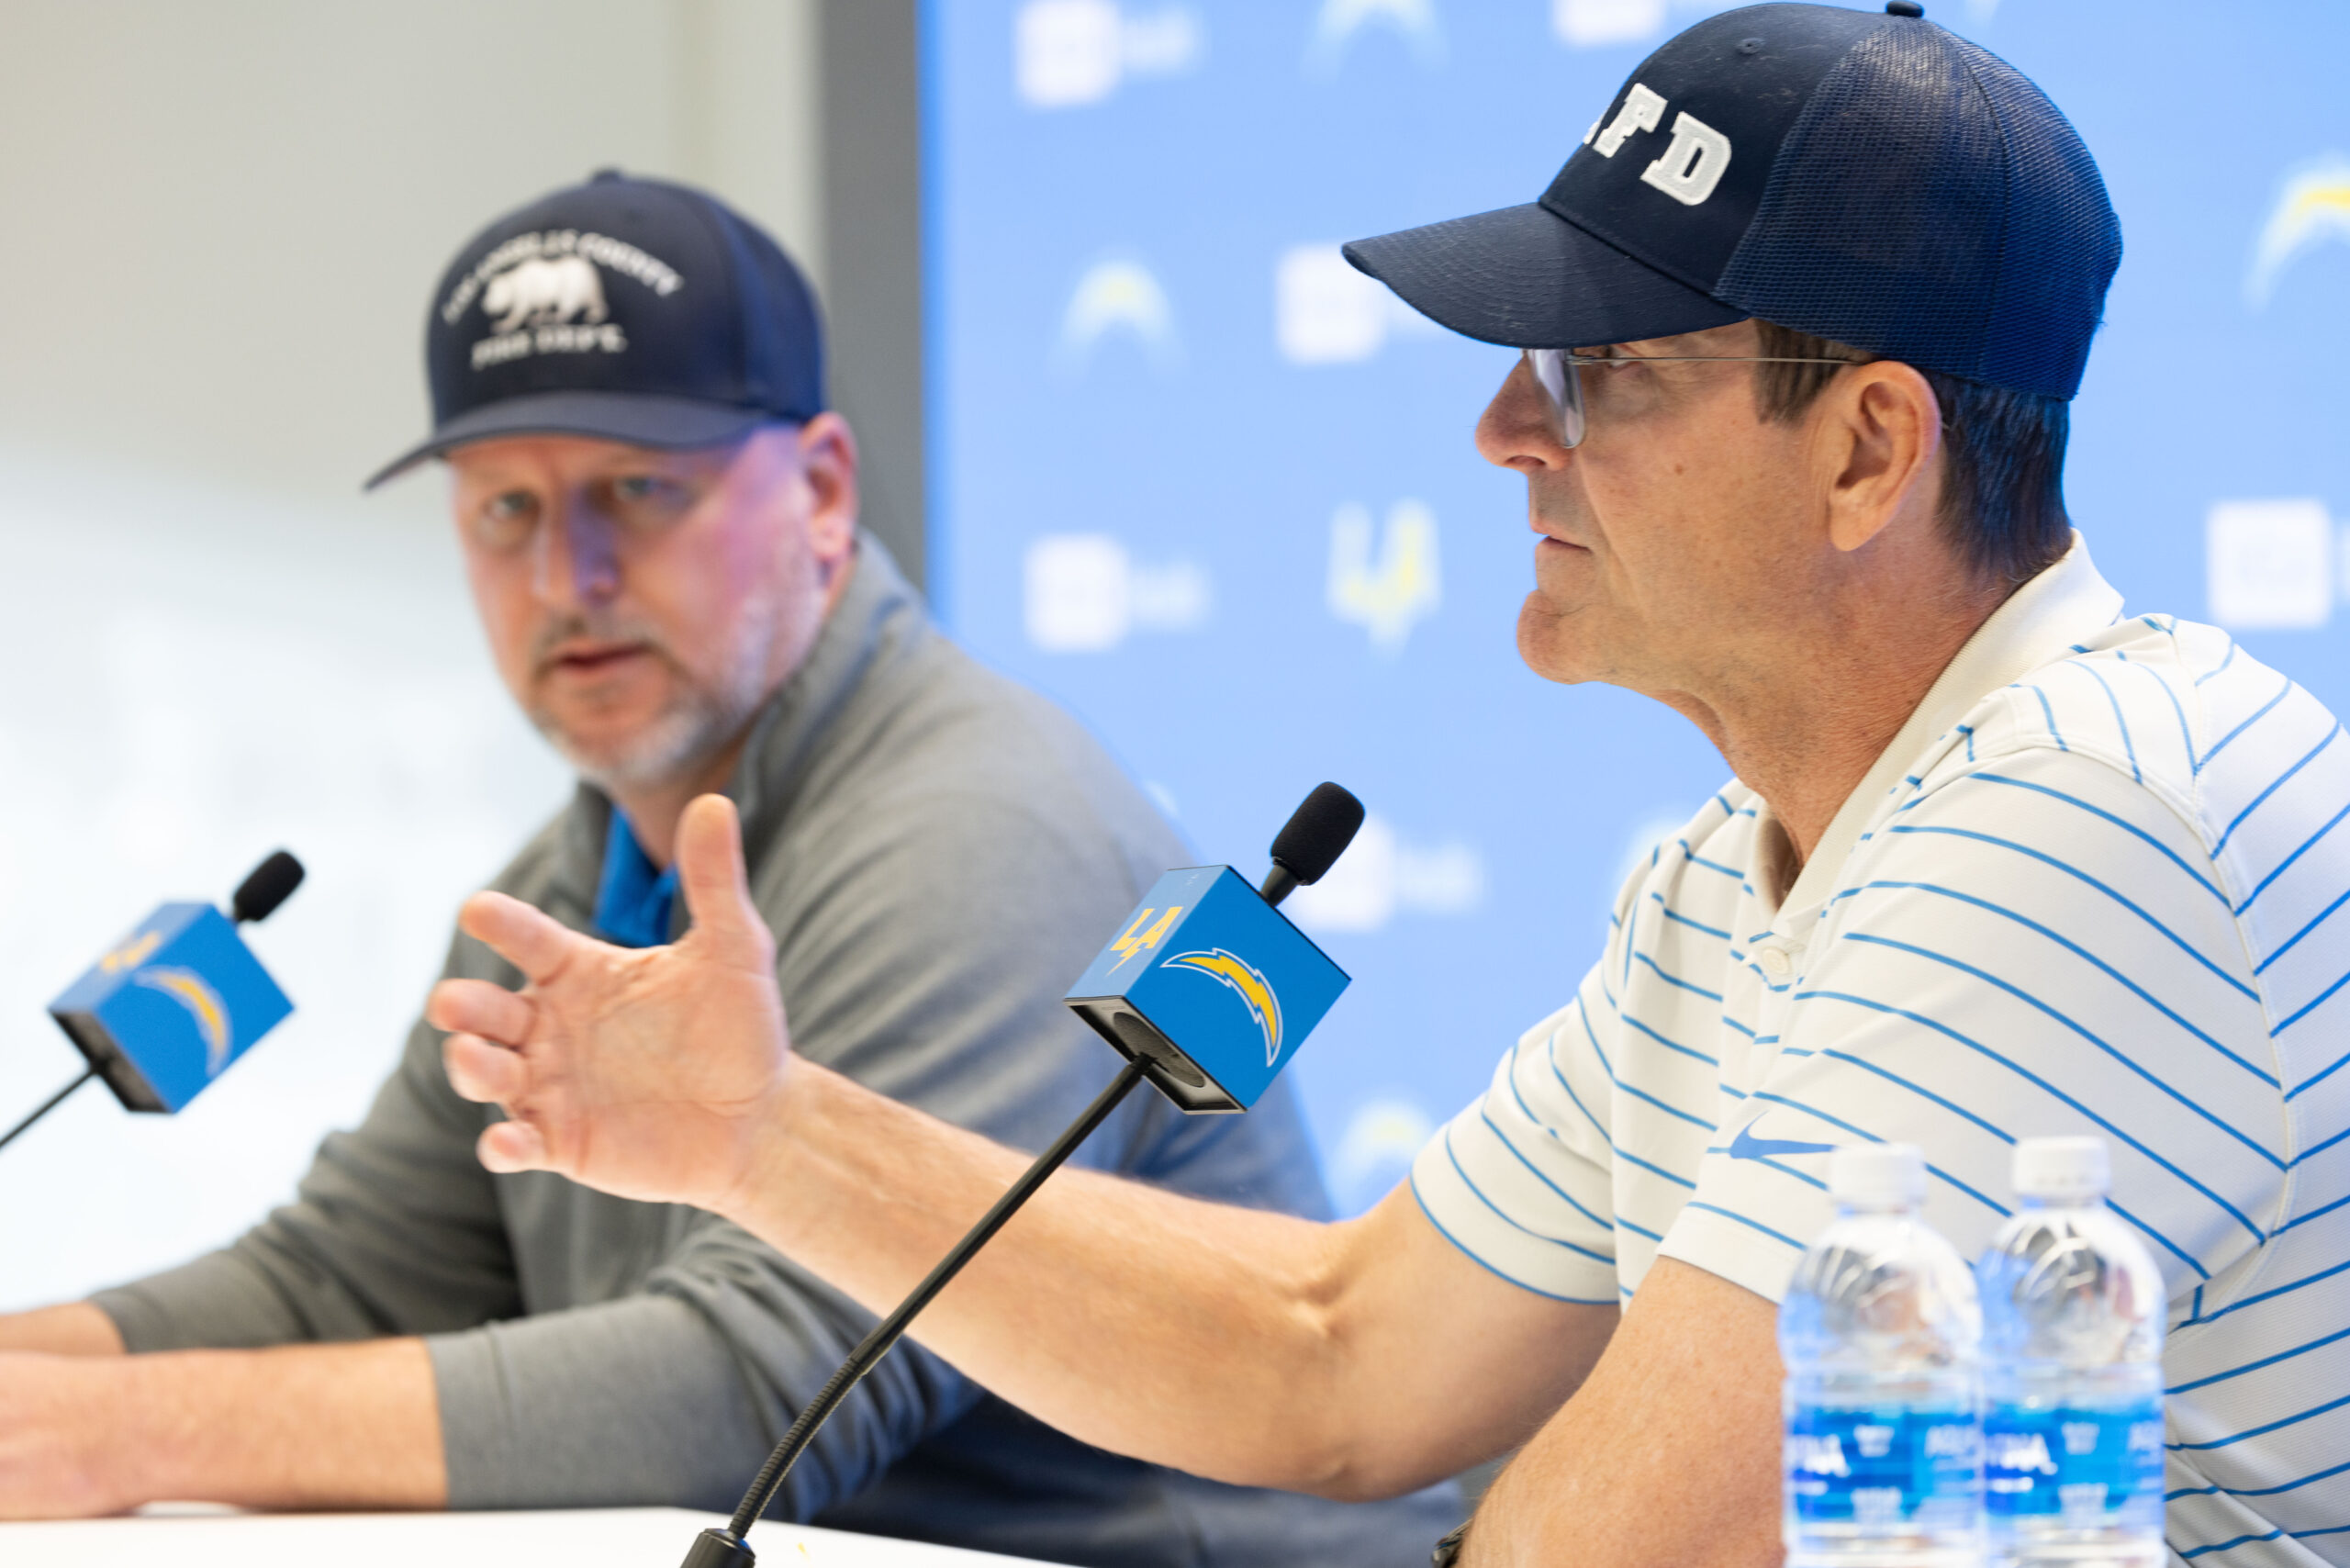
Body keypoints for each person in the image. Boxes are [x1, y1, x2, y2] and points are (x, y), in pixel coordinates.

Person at [429, 11, 2350, 1567]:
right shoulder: (1727, 874)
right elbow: (1330, 1352)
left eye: (1596, 375)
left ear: (1864, 452)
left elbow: (1635, 1545)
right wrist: (766, 1136)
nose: (1503, 428)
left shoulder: (2089, 810)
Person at [0, 172, 1461, 1567]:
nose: (567, 574)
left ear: (825, 490)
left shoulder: (982, 827)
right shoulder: (579, 870)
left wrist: (121, 1433)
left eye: (637, 490)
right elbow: (341, 1282)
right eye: (505, 509)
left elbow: (746, 1398)